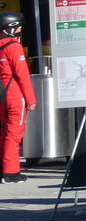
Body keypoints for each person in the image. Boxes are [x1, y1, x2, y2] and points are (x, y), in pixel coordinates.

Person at [0, 11, 37, 184]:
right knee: (14, 135)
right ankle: (11, 173)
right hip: (15, 95)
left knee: (4, 133)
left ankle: (3, 170)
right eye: (18, 27)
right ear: (10, 28)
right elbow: (23, 76)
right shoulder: (14, 47)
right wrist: (31, 99)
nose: (20, 29)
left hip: (2, 95)